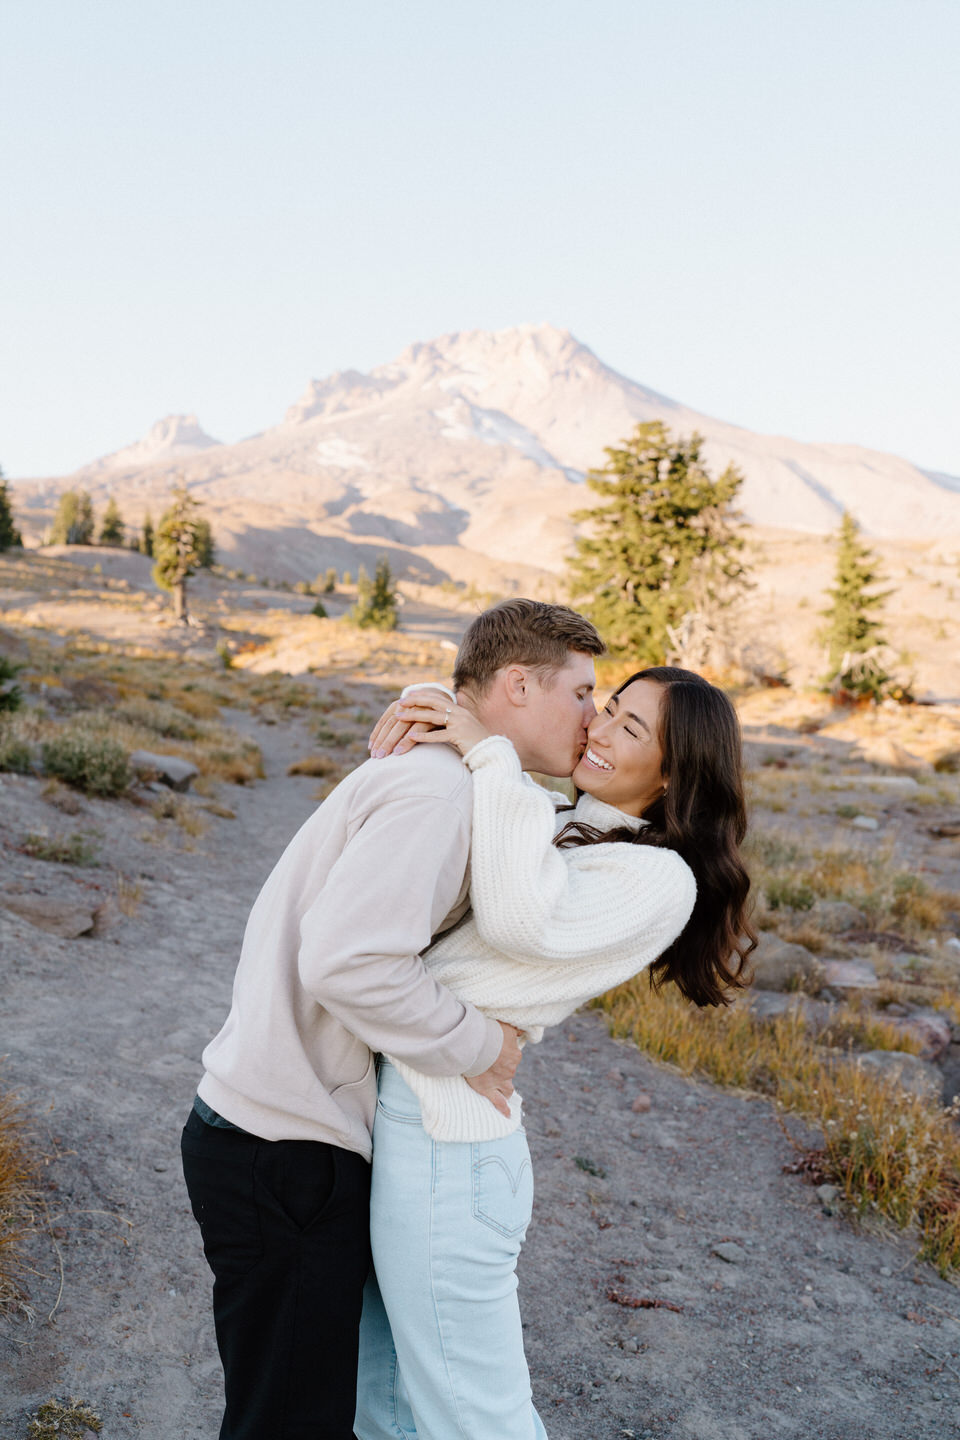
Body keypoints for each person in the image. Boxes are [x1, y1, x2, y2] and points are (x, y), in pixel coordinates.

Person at [179, 598, 605, 1440]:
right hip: (287, 1147)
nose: (594, 717)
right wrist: (477, 1047)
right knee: (289, 1423)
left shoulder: (456, 782)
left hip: (276, 1130)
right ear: (517, 685)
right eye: (584, 692)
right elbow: (348, 960)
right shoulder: (438, 793)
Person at [355, 666, 756, 1440]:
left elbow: (507, 927)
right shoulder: (564, 822)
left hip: (451, 1149)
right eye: (607, 708)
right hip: (412, 1117)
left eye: (630, 729)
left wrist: (492, 755)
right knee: (385, 1396)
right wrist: (434, 704)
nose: (598, 729)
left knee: (475, 1418)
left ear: (675, 775)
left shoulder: (657, 878)